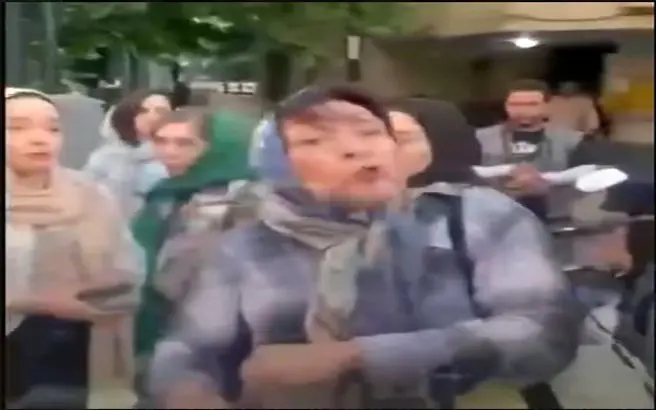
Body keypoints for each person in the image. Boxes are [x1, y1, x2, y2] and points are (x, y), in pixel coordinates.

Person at [148, 85, 580, 409]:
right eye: (315, 142)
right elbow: (189, 347)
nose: (356, 151)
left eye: (371, 134)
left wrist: (353, 358)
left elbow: (542, 332)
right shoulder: (246, 244)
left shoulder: (474, 217)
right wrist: (189, 392)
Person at [389, 98, 583, 408]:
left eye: (399, 139)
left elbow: (538, 329)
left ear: (441, 143)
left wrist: (383, 356)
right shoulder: (339, 212)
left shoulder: (484, 213)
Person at [5, 87, 145, 408]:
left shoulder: (90, 194)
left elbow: (129, 266)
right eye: (17, 128)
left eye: (52, 128)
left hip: (77, 348)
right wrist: (36, 301)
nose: (40, 139)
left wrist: (107, 288)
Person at [131, 107, 259, 404]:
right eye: (161, 141)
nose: (169, 151)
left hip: (213, 338)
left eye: (185, 143)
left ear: (218, 148)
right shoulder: (165, 192)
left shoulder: (245, 199)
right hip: (155, 324)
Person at [476, 79, 585, 222]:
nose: (523, 110)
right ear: (506, 105)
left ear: (547, 106)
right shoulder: (480, 138)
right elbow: (461, 172)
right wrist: (504, 172)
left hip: (554, 220)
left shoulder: (572, 140)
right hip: (493, 219)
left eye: (532, 104)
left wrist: (549, 181)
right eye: (515, 104)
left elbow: (590, 175)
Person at [83, 89, 172, 219]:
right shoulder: (104, 159)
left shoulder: (175, 157)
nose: (152, 116)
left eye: (161, 111)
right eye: (143, 111)